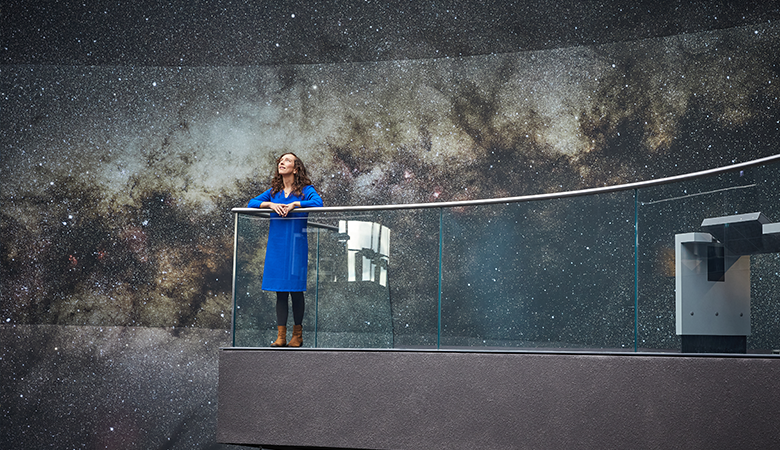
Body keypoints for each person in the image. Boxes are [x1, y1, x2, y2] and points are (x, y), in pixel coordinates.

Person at [247, 153, 323, 347]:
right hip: (277, 246)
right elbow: (251, 203)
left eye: (287, 160)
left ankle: (297, 335)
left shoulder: (306, 190)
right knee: (280, 292)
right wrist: (271, 204)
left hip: (296, 247)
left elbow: (318, 203)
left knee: (296, 290)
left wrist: (295, 204)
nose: (282, 162)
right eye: (281, 160)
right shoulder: (274, 191)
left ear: (296, 168)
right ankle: (281, 336)